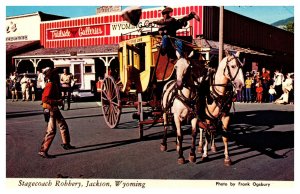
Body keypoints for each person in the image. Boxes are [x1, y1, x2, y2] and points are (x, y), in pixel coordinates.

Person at [38, 68, 75, 158]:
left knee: (63, 125)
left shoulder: (53, 84)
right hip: (50, 109)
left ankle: (66, 143)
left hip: (54, 108)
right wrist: (57, 101)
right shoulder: (50, 85)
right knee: (51, 130)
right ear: (53, 76)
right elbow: (45, 99)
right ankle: (43, 150)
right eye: (56, 75)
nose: (58, 76)